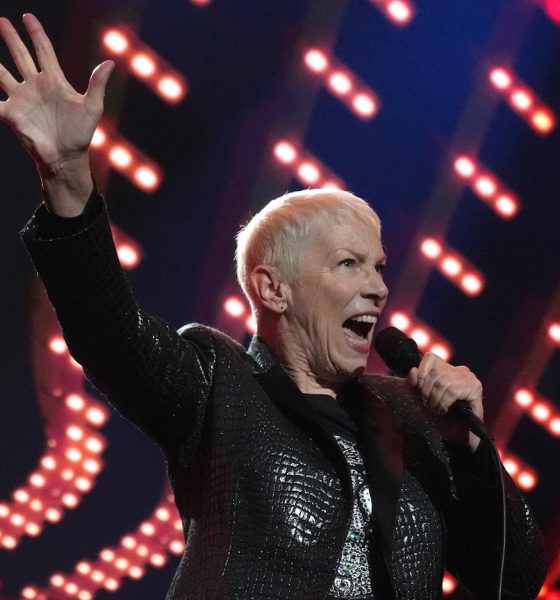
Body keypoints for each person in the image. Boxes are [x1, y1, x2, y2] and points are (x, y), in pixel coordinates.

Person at [0, 13, 546, 600]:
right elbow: (110, 335)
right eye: (349, 265)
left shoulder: (412, 416)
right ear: (272, 289)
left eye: (380, 268)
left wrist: (468, 449)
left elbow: (515, 580)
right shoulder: (219, 383)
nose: (379, 289)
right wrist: (69, 183)